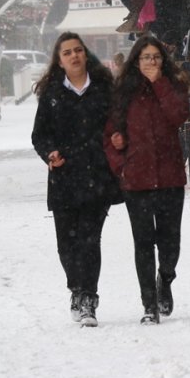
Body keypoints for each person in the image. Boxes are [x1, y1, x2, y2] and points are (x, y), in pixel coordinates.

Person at [31, 32, 122, 328]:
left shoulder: (104, 89)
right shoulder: (53, 94)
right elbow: (39, 134)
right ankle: (76, 288)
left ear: (86, 54)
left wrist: (118, 142)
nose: (74, 56)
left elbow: (117, 125)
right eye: (67, 52)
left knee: (89, 239)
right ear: (59, 60)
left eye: (78, 50)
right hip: (65, 177)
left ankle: (88, 298)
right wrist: (50, 153)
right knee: (66, 245)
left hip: (97, 175)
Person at [104, 35, 190, 325]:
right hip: (137, 179)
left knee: (170, 242)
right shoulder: (123, 92)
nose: (151, 62)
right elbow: (109, 134)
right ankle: (148, 304)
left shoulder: (173, 86)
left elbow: (178, 115)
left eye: (156, 57)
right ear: (135, 61)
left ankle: (165, 280)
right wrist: (121, 165)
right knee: (143, 243)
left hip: (169, 177)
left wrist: (159, 83)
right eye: (145, 58)